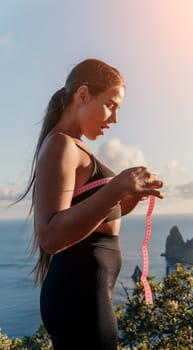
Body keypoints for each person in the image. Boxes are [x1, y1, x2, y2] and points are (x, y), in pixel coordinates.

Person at [20, 58, 164, 349]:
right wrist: (116, 189)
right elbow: (51, 236)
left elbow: (98, 221)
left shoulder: (76, 146)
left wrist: (130, 196)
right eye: (111, 104)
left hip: (83, 294)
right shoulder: (61, 144)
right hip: (79, 297)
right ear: (83, 95)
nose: (114, 119)